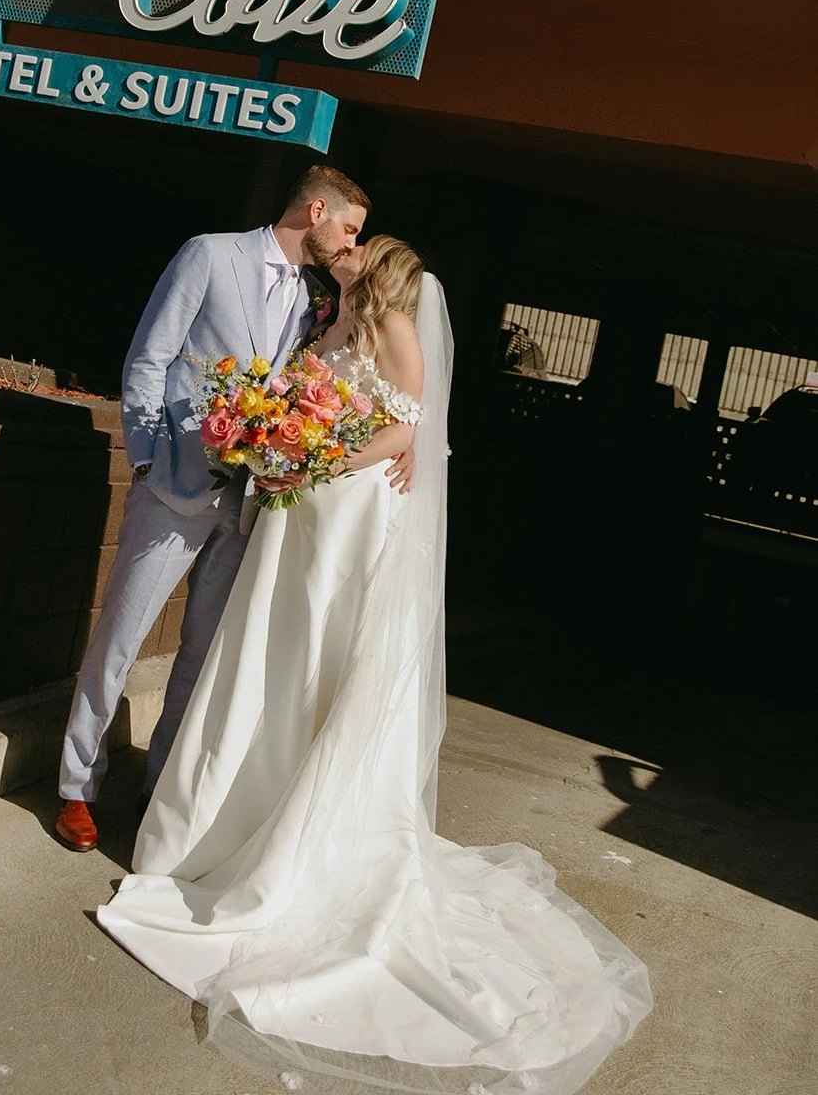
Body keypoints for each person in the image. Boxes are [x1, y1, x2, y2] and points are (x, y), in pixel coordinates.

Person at [98, 237, 653, 1095]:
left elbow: (407, 425)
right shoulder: (337, 316)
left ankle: (288, 833)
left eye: (361, 245)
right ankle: (218, 818)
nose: (345, 251)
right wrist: (280, 437)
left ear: (381, 269)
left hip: (347, 511)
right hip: (302, 506)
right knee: (268, 663)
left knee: (320, 663)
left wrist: (314, 457)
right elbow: (309, 394)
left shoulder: (396, 324)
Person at [57, 165, 417, 851]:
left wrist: (413, 440)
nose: (351, 245)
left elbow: (360, 395)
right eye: (348, 228)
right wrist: (144, 455)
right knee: (119, 644)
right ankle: (78, 786)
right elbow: (150, 357)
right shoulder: (209, 253)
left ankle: (159, 787)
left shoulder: (320, 300)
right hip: (173, 485)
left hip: (255, 504)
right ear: (316, 211)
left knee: (201, 656)